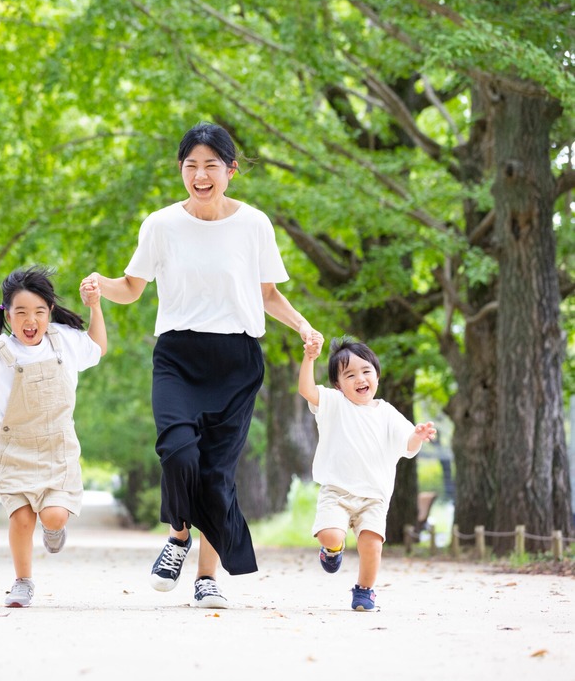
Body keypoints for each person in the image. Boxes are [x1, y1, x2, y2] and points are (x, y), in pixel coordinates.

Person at [83, 122, 320, 608]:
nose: (201, 175)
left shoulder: (254, 224)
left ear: (231, 170)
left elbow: (268, 293)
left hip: (237, 360)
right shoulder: (161, 225)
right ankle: (177, 536)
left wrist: (301, 326)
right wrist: (98, 285)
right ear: (181, 170)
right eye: (191, 165)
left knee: (215, 473)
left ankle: (206, 579)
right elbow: (131, 288)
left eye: (211, 165)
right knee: (177, 451)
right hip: (178, 355)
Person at [0, 267, 106, 608]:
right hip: (14, 449)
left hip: (58, 448)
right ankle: (22, 582)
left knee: (54, 516)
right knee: (20, 518)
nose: (30, 320)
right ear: (7, 314)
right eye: (21, 312)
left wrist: (95, 306)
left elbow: (97, 347)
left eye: (39, 312)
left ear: (49, 311)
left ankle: (53, 530)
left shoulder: (64, 341)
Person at [298, 335, 436, 611]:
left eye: (366, 371)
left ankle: (364, 590)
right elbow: (307, 389)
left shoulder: (387, 413)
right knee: (330, 535)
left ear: (377, 376)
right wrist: (309, 358)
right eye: (349, 374)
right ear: (338, 384)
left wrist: (418, 436)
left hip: (374, 497)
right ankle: (332, 551)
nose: (360, 378)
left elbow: (406, 444)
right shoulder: (334, 403)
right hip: (337, 492)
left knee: (372, 545)